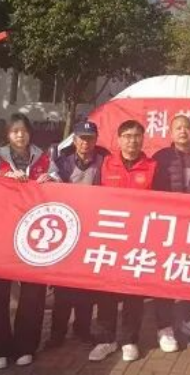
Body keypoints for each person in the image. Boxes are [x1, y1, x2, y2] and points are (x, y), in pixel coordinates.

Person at [0, 113, 60, 369]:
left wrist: (51, 180)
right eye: (14, 131)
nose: (20, 135)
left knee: (33, 292)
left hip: (33, 235)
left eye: (23, 131)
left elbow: (60, 185)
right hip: (1, 235)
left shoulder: (44, 159)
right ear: (7, 135)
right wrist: (2, 181)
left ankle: (26, 346)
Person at [88, 119, 158, 363]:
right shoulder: (106, 164)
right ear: (118, 139)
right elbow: (93, 198)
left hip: (139, 239)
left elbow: (163, 203)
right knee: (106, 291)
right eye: (127, 136)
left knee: (133, 293)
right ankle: (105, 339)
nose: (132, 141)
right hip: (110, 238)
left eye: (137, 136)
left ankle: (129, 340)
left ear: (143, 139)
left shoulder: (153, 167)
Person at [152, 115, 190, 353]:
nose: (182, 131)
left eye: (186, 128)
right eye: (177, 128)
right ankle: (164, 326)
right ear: (171, 132)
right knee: (165, 275)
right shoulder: (161, 158)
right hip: (168, 226)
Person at [46, 120, 109, 349]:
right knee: (62, 285)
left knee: (86, 284)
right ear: (74, 140)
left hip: (93, 230)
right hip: (67, 229)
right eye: (82, 138)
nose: (86, 143)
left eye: (90, 138)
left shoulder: (104, 162)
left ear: (96, 140)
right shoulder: (62, 162)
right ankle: (57, 333)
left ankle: (82, 329)